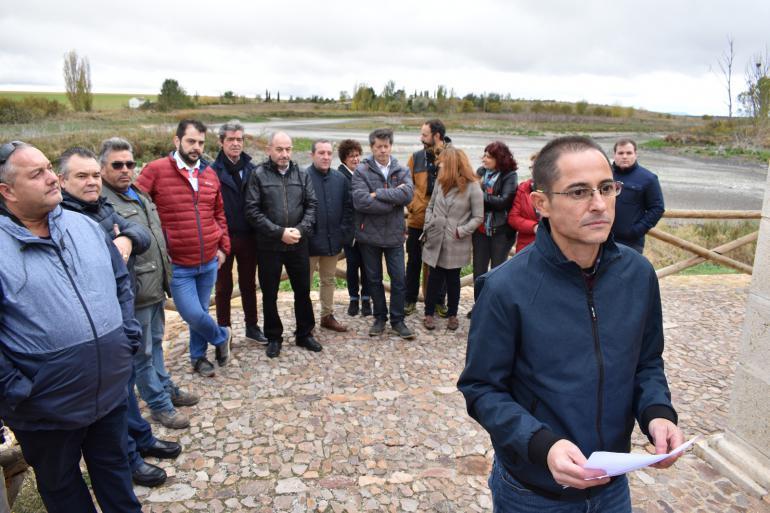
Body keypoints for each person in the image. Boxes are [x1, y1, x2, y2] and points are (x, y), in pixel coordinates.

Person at [458, 136, 683, 512]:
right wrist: (543, 446)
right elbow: (481, 389)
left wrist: (657, 414)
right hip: (533, 493)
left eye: (607, 188)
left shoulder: (639, 274)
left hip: (611, 488)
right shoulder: (504, 288)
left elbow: (646, 362)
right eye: (579, 192)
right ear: (540, 203)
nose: (599, 204)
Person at [0, 141, 143, 511]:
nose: (52, 178)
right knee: (63, 489)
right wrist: (17, 388)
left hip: (109, 393)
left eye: (49, 168)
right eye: (37, 174)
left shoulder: (84, 226)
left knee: (116, 474)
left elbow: (120, 283)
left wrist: (127, 338)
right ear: (6, 191)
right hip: (44, 408)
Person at [58, 147, 182, 488]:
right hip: (97, 321)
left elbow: (139, 233)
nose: (91, 182)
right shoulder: (64, 217)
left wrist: (126, 237)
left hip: (121, 307)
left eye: (93, 175)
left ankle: (140, 439)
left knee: (126, 385)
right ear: (62, 181)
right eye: (82, 176)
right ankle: (129, 458)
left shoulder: (103, 206)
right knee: (116, 393)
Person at [99, 137, 200, 430]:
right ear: (103, 166)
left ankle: (165, 387)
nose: (125, 170)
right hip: (135, 290)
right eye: (117, 164)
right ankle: (158, 404)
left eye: (130, 164)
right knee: (142, 353)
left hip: (154, 285)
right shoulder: (105, 203)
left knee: (155, 344)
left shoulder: (138, 193)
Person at [135, 119, 232, 378]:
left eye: (200, 143)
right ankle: (222, 336)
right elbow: (134, 206)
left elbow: (219, 213)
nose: (196, 147)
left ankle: (198, 358)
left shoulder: (210, 174)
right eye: (191, 141)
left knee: (200, 312)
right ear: (177, 141)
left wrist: (223, 247)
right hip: (178, 262)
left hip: (209, 260)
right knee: (192, 314)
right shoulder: (155, 170)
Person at [244, 132, 320, 358]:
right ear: (269, 149)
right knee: (270, 293)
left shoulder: (302, 174)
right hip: (270, 245)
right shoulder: (258, 175)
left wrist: (300, 230)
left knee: (303, 291)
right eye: (279, 149)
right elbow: (252, 210)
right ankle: (274, 336)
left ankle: (305, 333)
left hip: (298, 242)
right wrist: (279, 233)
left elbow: (312, 205)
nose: (284, 154)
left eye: (288, 149)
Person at [351, 128, 415, 340]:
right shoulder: (361, 170)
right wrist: (392, 203)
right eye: (378, 146)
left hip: (395, 235)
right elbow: (360, 201)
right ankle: (380, 317)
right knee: (374, 279)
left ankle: (397, 320)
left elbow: (408, 195)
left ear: (391, 146)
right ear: (372, 147)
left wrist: (378, 193)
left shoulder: (401, 169)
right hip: (369, 236)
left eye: (386, 146)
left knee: (398, 279)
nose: (382, 150)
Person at [210, 120, 268, 344]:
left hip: (249, 236)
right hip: (223, 237)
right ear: (221, 142)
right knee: (223, 287)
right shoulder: (212, 171)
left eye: (239, 139)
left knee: (248, 283)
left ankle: (252, 326)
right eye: (231, 139)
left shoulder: (253, 169)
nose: (235, 144)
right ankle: (224, 330)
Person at [421, 146, 482, 331]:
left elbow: (478, 217)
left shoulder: (473, 186)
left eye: (443, 163)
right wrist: (429, 223)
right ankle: (428, 313)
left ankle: (453, 314)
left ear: (453, 164)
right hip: (436, 238)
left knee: (453, 280)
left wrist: (460, 231)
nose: (439, 165)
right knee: (433, 278)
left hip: (456, 241)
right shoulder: (440, 182)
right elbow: (430, 206)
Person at [307, 139, 353, 332]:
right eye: (321, 153)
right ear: (312, 155)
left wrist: (342, 234)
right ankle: (305, 321)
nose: (326, 157)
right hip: (308, 242)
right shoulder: (303, 176)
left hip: (332, 239)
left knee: (328, 280)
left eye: (328, 153)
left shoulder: (340, 179)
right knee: (304, 283)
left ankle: (327, 316)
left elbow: (348, 208)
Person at [405, 119, 449, 317]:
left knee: (440, 264)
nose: (421, 138)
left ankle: (439, 301)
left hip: (441, 222)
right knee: (413, 262)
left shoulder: (452, 157)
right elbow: (405, 186)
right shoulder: (415, 158)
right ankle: (409, 300)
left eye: (424, 135)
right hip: (417, 220)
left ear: (436, 136)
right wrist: (414, 206)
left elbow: (461, 186)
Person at [469, 141, 518, 316]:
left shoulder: (510, 176)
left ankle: (495, 309)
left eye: (488, 156)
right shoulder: (480, 173)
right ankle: (479, 306)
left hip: (501, 232)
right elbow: (473, 198)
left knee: (498, 272)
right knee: (479, 271)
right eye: (484, 155)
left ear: (499, 159)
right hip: (480, 230)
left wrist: (479, 194)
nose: (484, 159)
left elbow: (504, 202)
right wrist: (490, 198)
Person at [611, 138, 665, 253]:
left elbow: (657, 208)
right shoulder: (605, 174)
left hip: (631, 243)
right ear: (614, 155)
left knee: (629, 271)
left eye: (629, 153)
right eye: (620, 153)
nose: (624, 156)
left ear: (635, 154)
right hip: (602, 239)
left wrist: (637, 230)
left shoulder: (648, 178)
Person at [337, 139, 371, 317]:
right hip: (349, 230)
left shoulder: (364, 173)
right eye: (351, 156)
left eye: (357, 155)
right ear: (344, 159)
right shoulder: (340, 176)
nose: (356, 159)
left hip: (366, 229)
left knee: (366, 266)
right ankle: (353, 299)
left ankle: (366, 299)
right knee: (352, 266)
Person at [507, 153, 540, 253]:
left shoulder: (559, 190)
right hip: (526, 247)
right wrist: (534, 227)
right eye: (532, 167)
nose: (534, 171)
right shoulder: (524, 188)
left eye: (537, 167)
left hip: (552, 247)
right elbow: (513, 218)